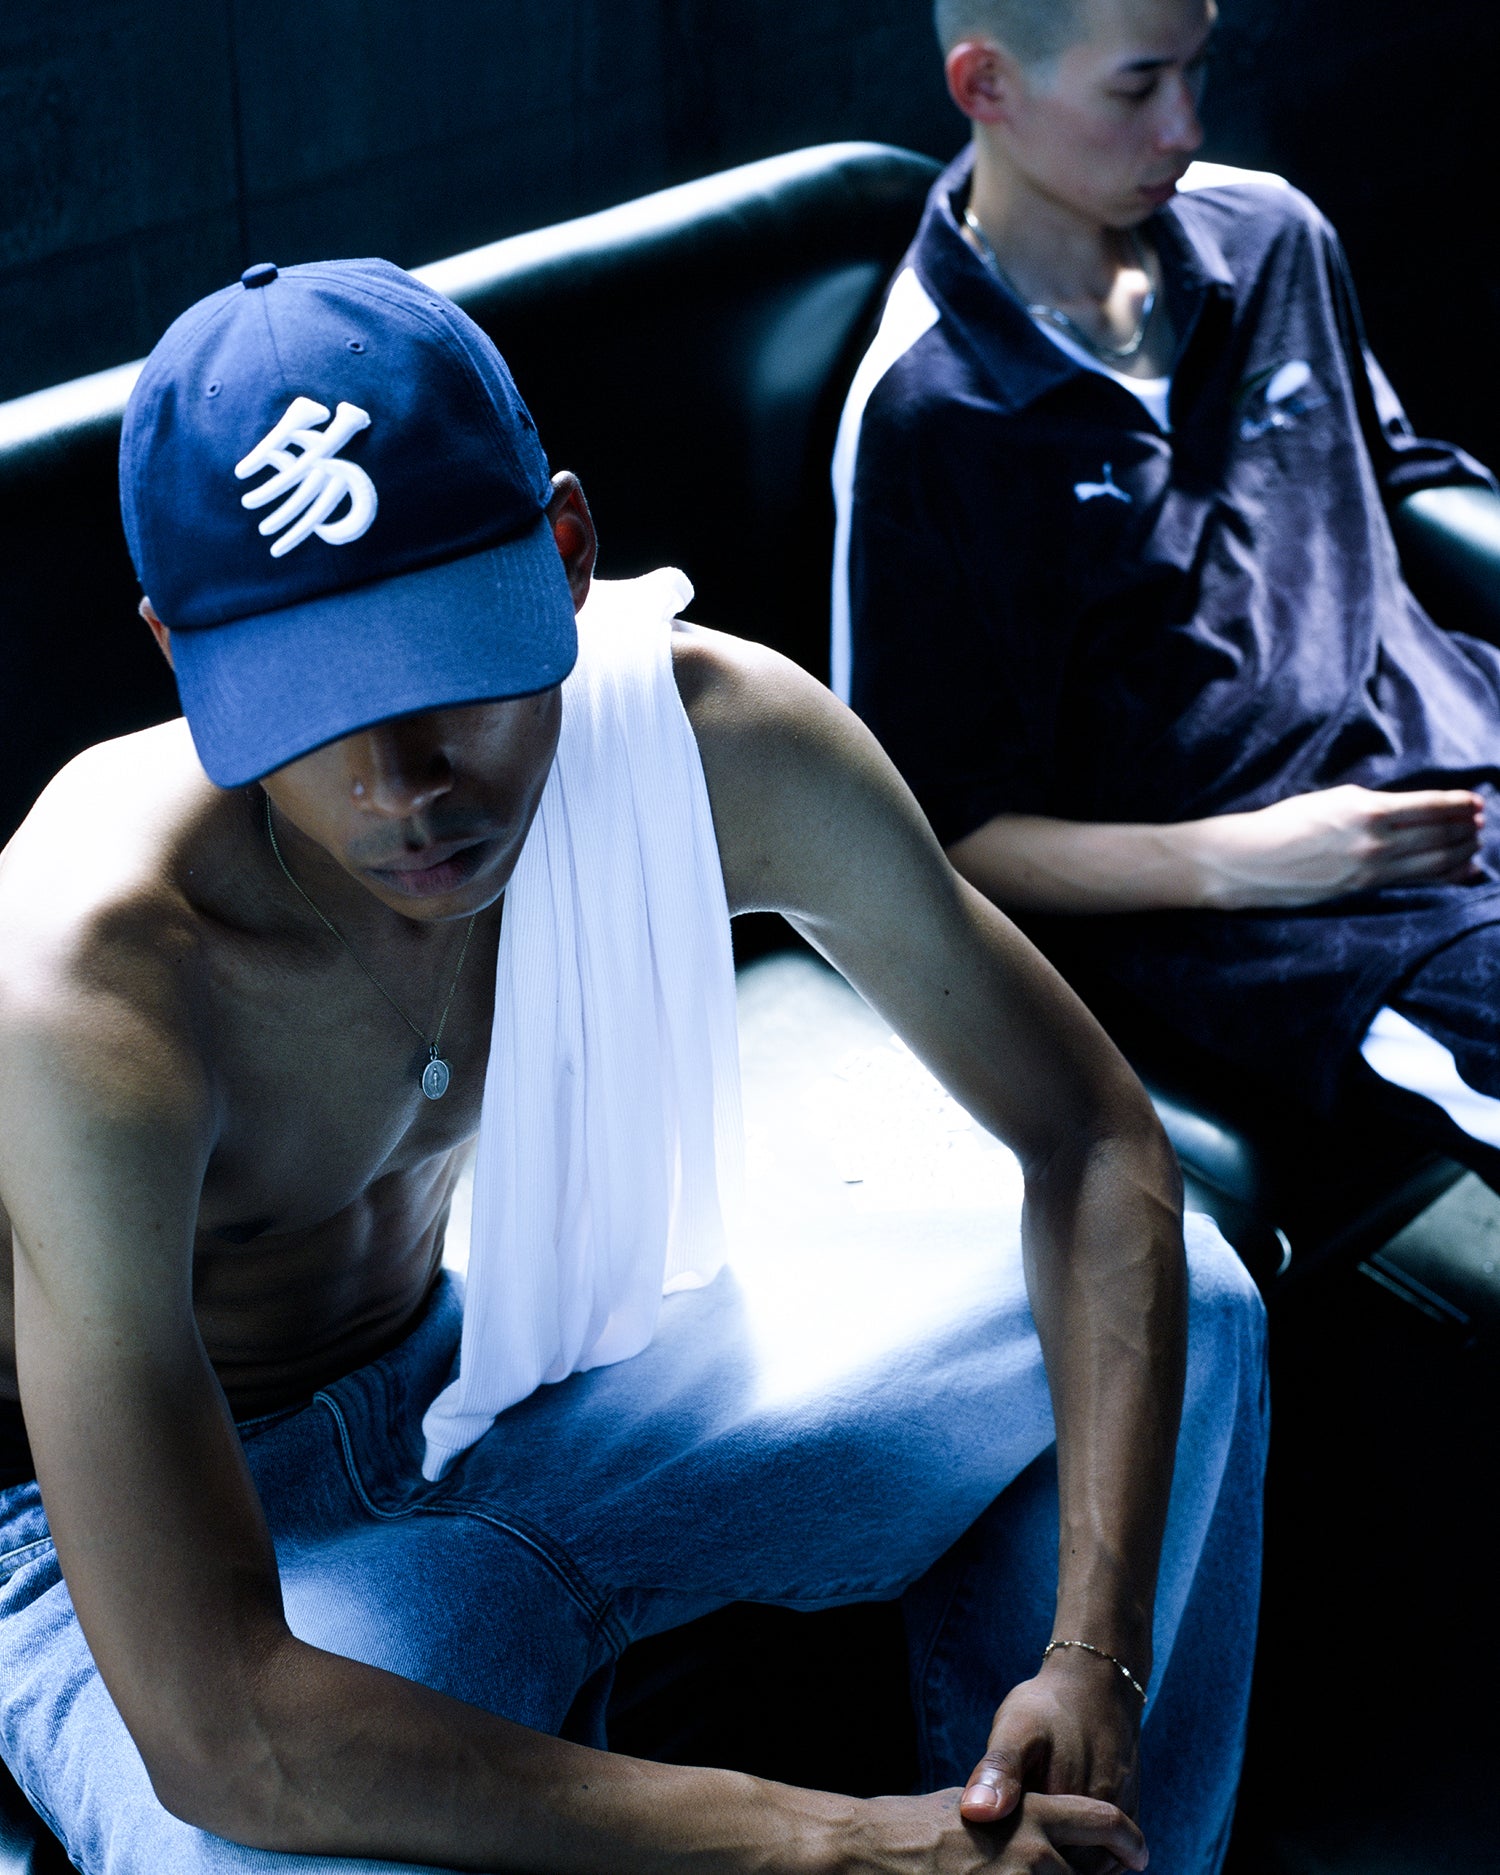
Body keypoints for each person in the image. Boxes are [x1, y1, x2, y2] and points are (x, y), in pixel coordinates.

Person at [0, 255, 1264, 1875]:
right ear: (179, 653)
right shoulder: (95, 978)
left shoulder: (705, 736)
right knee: (258, 1859)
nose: (406, 784)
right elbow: (225, 1730)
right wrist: (841, 1846)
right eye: (317, 706)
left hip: (506, 1372)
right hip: (170, 1553)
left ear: (567, 551)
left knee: (1191, 1305)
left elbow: (1090, 1143)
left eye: (452, 666)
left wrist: (1096, 1655)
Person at [833, 0, 1500, 1158]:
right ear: (986, 85)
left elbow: (1400, 481)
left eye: (1199, 70)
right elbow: (931, 831)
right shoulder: (928, 414)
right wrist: (1246, 866)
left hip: (1457, 750)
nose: (1184, 127)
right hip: (1291, 921)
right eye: (1138, 87)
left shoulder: (1272, 235)